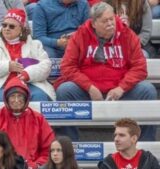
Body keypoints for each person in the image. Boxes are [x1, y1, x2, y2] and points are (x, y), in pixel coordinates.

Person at [57, 2, 156, 140]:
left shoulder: (127, 34)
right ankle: (70, 145)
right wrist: (89, 87)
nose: (110, 24)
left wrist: (121, 88)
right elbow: (67, 66)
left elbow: (140, 67)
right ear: (93, 23)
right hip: (89, 90)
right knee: (64, 90)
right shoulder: (80, 35)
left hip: (120, 90)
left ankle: (146, 148)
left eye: (112, 19)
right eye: (105, 21)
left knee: (148, 90)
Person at [0, 10, 55, 103]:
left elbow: (46, 66)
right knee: (3, 100)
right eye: (4, 25)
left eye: (11, 26)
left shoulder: (35, 45)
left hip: (29, 84)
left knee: (39, 97)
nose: (7, 28)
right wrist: (7, 66)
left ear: (21, 29)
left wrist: (27, 74)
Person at [0, 79, 54, 169]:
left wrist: (36, 165)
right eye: (12, 96)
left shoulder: (38, 119)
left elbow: (48, 148)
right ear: (6, 98)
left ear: (26, 98)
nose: (16, 100)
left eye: (20, 96)